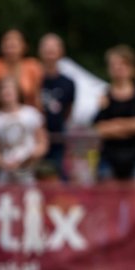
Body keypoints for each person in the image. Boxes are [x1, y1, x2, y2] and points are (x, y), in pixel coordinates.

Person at [93, 45, 135, 181]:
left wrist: (115, 125)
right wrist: (133, 125)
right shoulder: (104, 96)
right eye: (114, 65)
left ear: (131, 68)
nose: (118, 69)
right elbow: (100, 129)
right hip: (109, 159)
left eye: (122, 64)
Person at [0, 29, 43, 136]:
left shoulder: (33, 66)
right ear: (2, 47)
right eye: (8, 46)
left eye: (14, 46)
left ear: (23, 47)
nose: (11, 50)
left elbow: (36, 98)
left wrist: (41, 123)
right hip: (0, 119)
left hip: (26, 119)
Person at [0, 77, 48, 185]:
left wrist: (28, 157)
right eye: (3, 88)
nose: (7, 91)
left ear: (17, 91)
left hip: (29, 172)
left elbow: (42, 143)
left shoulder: (31, 114)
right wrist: (4, 163)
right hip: (5, 173)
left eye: (10, 88)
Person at [38, 34, 76, 181]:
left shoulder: (68, 83)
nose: (50, 52)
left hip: (58, 137)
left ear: (61, 52)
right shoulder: (33, 79)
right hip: (34, 138)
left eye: (53, 48)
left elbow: (68, 111)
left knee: (58, 178)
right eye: (47, 48)